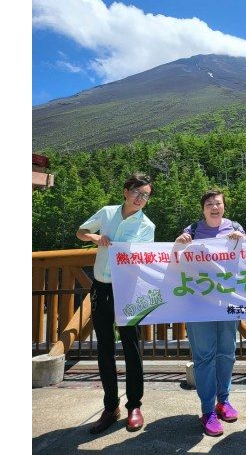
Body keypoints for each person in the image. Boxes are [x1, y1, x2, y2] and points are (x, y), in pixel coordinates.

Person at [76, 172, 155, 435]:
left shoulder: (147, 226)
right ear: (125, 191)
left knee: (132, 349)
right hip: (101, 287)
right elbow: (81, 231)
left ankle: (134, 406)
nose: (140, 199)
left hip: (129, 289)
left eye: (146, 195)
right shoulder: (107, 213)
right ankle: (111, 406)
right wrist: (95, 238)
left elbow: (144, 259)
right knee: (105, 349)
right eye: (137, 192)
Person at [175, 188, 246, 437]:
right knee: (204, 357)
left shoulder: (236, 228)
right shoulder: (191, 231)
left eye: (218, 203)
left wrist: (242, 239)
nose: (214, 207)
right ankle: (208, 410)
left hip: (227, 303)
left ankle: (223, 401)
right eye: (209, 204)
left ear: (224, 206)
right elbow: (174, 260)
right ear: (203, 209)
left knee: (227, 353)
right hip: (197, 305)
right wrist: (178, 244)